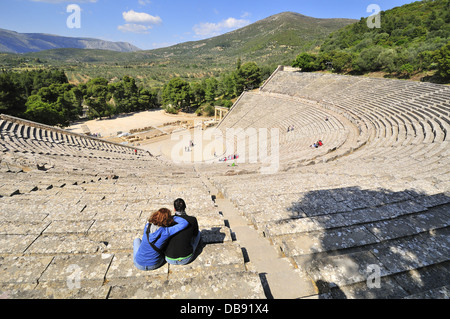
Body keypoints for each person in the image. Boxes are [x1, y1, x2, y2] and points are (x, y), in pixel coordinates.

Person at [164, 198, 201, 265]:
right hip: (186, 258)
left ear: (174, 209)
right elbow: (195, 234)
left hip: (169, 258)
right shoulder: (192, 219)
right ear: (185, 207)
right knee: (199, 233)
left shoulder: (169, 220)